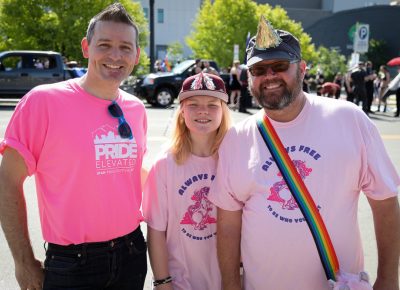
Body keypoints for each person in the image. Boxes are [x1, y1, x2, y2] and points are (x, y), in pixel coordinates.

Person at [208, 17, 400, 290]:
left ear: (302, 69)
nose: (270, 76)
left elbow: (385, 202)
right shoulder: (237, 139)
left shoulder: (349, 119)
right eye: (259, 69)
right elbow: (227, 224)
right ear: (249, 77)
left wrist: (389, 280)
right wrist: (230, 286)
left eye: (280, 66)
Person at [0, 3, 148, 290]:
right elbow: (7, 182)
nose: (115, 56)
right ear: (86, 47)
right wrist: (23, 261)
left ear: (137, 55)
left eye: (125, 47)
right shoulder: (43, 102)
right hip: (73, 264)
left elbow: (129, 176)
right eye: (104, 44)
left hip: (132, 253)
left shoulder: (136, 109)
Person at [143, 72, 231, 289]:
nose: (203, 110)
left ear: (223, 111)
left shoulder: (235, 159)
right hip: (181, 282)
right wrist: (162, 281)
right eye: (193, 104)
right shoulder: (165, 164)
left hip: (229, 281)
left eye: (213, 104)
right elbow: (156, 230)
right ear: (181, 111)